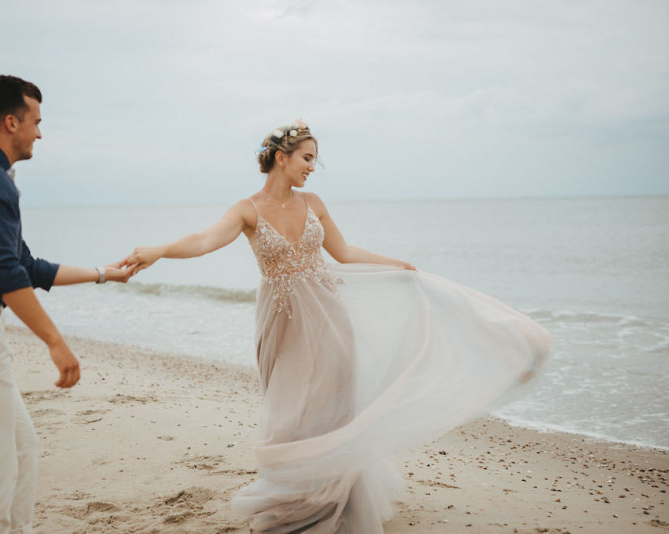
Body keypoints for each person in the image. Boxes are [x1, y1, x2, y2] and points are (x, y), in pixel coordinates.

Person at [124, 120, 551, 533]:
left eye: (315, 160)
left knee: (335, 403)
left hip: (330, 316)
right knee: (291, 410)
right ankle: (294, 496)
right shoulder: (247, 209)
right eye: (307, 158)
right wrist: (159, 250)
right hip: (282, 322)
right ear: (280, 157)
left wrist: (395, 265)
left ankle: (334, 496)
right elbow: (202, 242)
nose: (313, 166)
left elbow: (342, 252)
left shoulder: (314, 205)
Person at [0, 74, 136, 534]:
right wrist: (56, 343)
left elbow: (28, 266)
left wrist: (103, 273)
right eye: (36, 121)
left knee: (21, 450)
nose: (41, 132)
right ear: (11, 121)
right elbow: (5, 275)